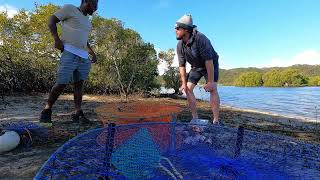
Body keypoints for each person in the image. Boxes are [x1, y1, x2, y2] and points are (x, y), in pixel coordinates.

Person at [40, 0, 98, 124]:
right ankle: (47, 110)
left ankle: (77, 113)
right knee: (61, 83)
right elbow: (51, 20)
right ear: (86, 1)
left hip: (83, 57)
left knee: (79, 85)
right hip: (69, 52)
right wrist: (56, 39)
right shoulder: (70, 9)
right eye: (94, 3)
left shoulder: (87, 22)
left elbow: (84, 39)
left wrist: (92, 51)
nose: (96, 8)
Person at [175, 14, 221, 124]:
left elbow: (208, 61)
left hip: (210, 64)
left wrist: (210, 82)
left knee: (213, 89)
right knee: (187, 89)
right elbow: (182, 65)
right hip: (196, 67)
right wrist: (184, 83)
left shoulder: (201, 39)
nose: (175, 30)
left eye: (177, 28)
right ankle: (195, 118)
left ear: (186, 30)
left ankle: (216, 120)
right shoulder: (180, 45)